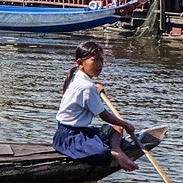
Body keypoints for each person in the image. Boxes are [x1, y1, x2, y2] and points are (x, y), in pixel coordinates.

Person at [51, 39, 138, 172]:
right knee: (102, 154)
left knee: (116, 129)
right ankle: (113, 153)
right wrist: (126, 124)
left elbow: (86, 93)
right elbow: (103, 114)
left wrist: (96, 89)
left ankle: (116, 149)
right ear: (80, 63)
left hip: (76, 132)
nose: (100, 65)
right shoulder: (86, 87)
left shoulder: (77, 77)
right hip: (71, 137)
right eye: (95, 60)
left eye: (101, 60)